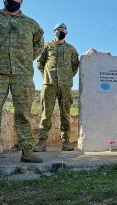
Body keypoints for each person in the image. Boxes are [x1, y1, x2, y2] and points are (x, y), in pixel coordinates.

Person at [0, 0, 44, 171]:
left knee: (24, 113)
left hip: (23, 74)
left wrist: (24, 60)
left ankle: (27, 151)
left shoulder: (32, 24)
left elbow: (39, 46)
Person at [33, 23, 79, 152]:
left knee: (65, 114)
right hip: (49, 85)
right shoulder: (47, 46)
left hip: (65, 86)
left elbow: (75, 66)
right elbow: (40, 63)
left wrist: (68, 77)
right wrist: (47, 76)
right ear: (54, 32)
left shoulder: (71, 49)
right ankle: (42, 143)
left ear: (67, 32)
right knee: (46, 114)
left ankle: (66, 142)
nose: (61, 31)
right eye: (59, 30)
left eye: (63, 30)